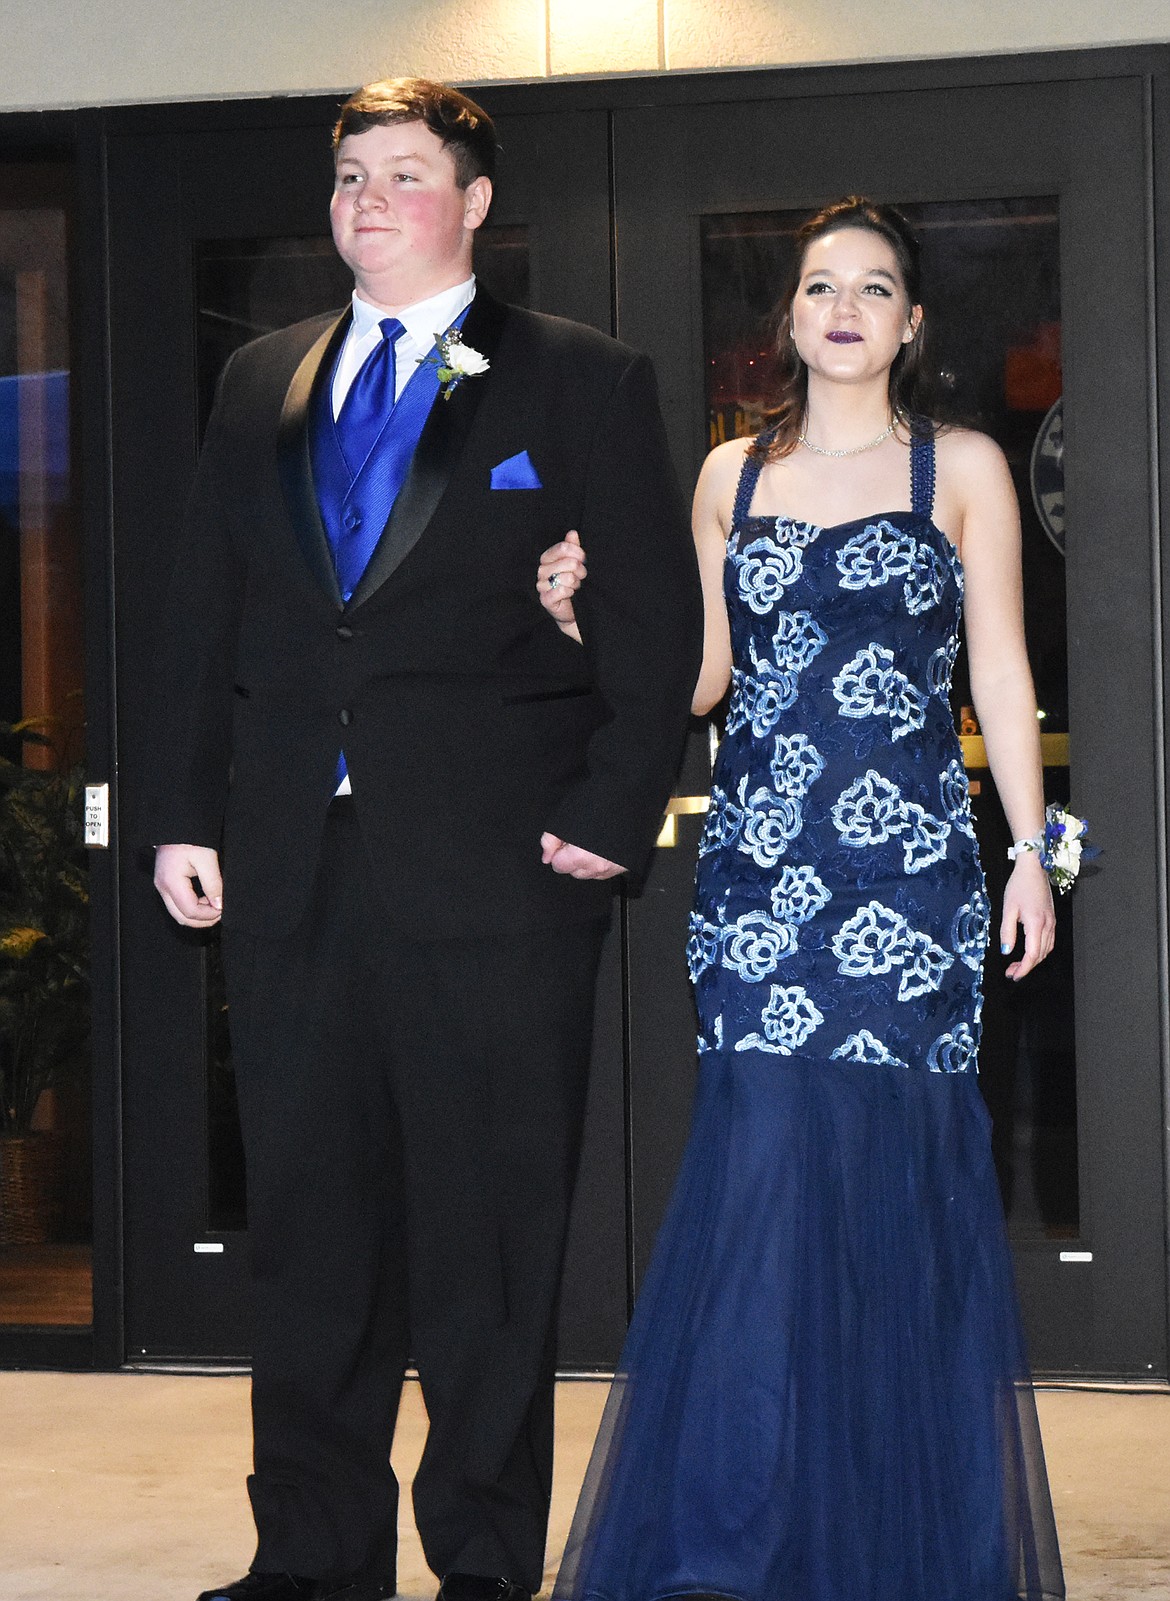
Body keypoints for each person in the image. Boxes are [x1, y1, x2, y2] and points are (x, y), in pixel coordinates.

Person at [143, 77, 702, 1601]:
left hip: (500, 883)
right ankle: (310, 1562)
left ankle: (478, 1565)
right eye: (346, 175)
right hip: (291, 873)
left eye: (402, 172)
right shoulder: (260, 377)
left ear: (471, 202)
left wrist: (608, 813)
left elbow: (655, 618)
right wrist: (183, 811)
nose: (366, 197)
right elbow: (210, 610)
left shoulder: (578, 378)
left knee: (487, 1252)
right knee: (311, 1246)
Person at [536, 198, 1065, 1601]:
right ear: (788, 319)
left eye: (872, 287)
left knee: (895, 1195)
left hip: (911, 885)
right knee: (764, 1191)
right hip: (761, 887)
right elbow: (701, 678)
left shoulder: (958, 468)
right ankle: (733, 1544)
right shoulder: (729, 478)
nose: (841, 306)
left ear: (908, 324)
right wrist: (592, 615)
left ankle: (906, 1544)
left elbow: (1000, 675)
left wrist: (1034, 854)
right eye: (818, 285)